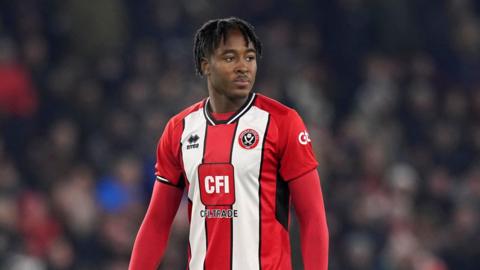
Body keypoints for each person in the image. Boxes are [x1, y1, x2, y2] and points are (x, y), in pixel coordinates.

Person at [129, 17, 329, 270]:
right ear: (205, 66)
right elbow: (157, 222)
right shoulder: (179, 130)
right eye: (230, 57)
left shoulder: (282, 122)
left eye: (250, 57)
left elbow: (312, 217)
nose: (243, 66)